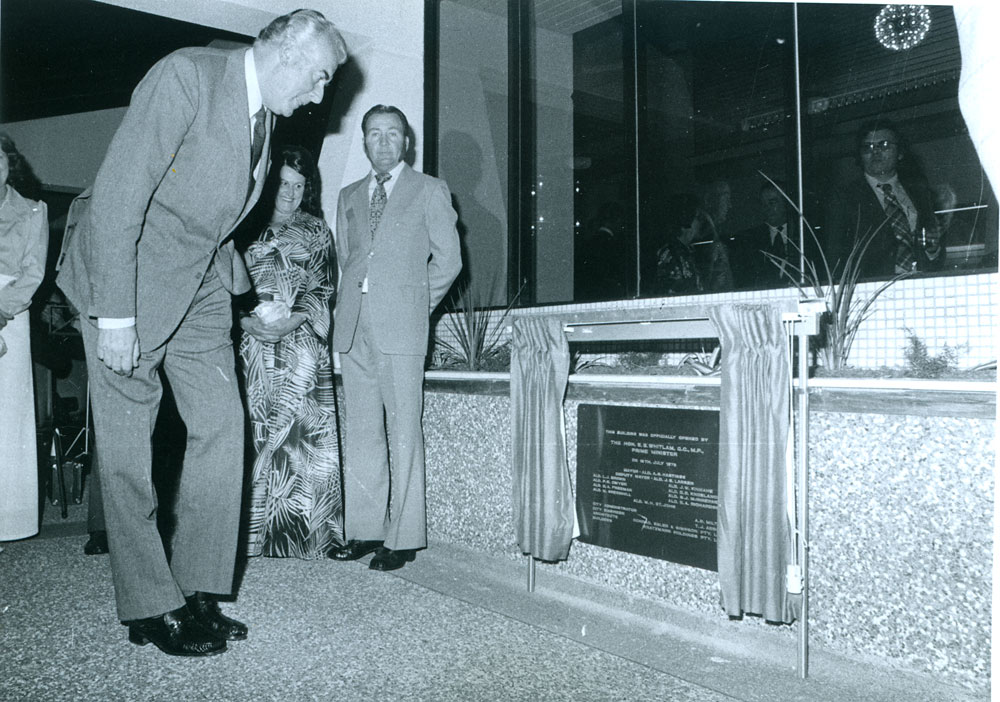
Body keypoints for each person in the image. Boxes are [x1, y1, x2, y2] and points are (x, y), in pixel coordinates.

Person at [55, 10, 348, 658]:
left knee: (222, 424)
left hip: (197, 288)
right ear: (289, 55)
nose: (321, 95)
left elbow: (217, 224)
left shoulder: (265, 118)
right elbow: (118, 198)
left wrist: (237, 304)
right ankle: (149, 606)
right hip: (125, 282)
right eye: (321, 78)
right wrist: (116, 318)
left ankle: (197, 590)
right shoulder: (185, 77)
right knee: (130, 454)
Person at [328, 105, 462, 572]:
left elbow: (448, 262)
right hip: (354, 326)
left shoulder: (429, 190)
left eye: (392, 134)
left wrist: (412, 306)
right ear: (364, 141)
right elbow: (348, 261)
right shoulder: (348, 195)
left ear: (406, 142)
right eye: (373, 134)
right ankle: (365, 530)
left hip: (401, 327)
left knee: (404, 430)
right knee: (362, 432)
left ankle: (404, 537)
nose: (383, 142)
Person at [239, 145, 342, 560]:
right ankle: (246, 538)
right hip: (250, 345)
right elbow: (222, 281)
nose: (290, 192)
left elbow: (323, 288)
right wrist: (247, 322)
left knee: (303, 441)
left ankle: (307, 538)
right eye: (283, 183)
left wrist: (292, 320)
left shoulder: (316, 230)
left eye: (300, 186)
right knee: (251, 434)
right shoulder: (243, 224)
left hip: (300, 347)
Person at [0, 132, 48, 546]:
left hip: (8, 318)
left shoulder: (33, 212)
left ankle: (7, 519)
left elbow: (32, 274)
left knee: (6, 421)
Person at [824, 118, 944, 280]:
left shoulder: (919, 193)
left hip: (918, 285)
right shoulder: (845, 198)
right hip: (870, 291)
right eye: (868, 147)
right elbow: (835, 259)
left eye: (884, 145)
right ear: (860, 155)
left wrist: (933, 250)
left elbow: (934, 250)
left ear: (900, 152)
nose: (876, 152)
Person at [731, 180, 798, 290]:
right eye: (763, 204)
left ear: (786, 202)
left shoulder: (802, 235)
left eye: (772, 203)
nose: (767, 209)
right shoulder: (748, 240)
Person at [653, 193, 705, 296]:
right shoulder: (669, 254)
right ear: (686, 220)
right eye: (697, 218)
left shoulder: (688, 251)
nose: (700, 223)